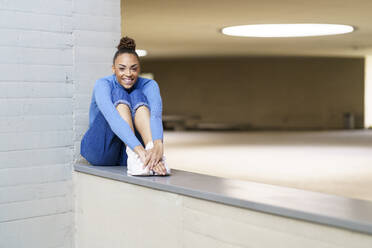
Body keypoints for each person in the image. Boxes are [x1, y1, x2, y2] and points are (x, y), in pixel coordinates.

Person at [80, 36, 170, 176]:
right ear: (113, 69)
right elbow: (113, 118)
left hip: (126, 155)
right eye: (122, 69)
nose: (128, 74)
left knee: (136, 94)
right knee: (119, 93)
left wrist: (157, 146)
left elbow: (156, 116)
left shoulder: (149, 85)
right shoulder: (103, 84)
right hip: (100, 149)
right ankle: (140, 155)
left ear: (139, 68)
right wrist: (139, 150)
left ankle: (149, 154)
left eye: (133, 69)